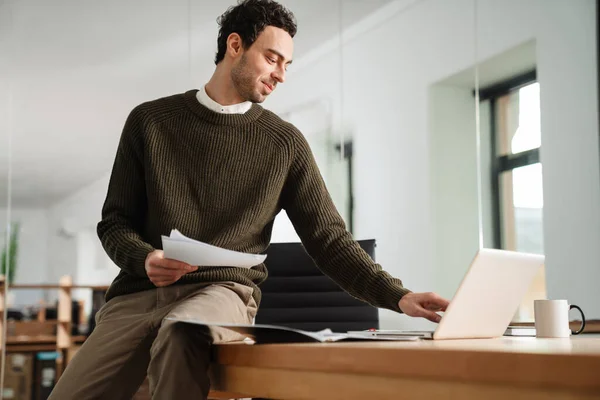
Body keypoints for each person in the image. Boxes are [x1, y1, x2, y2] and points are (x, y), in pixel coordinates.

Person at [49, 0, 449, 399]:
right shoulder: (149, 122)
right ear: (235, 46)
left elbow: (330, 240)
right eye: (273, 58)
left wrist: (398, 295)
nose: (281, 75)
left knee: (182, 333)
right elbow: (115, 222)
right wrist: (145, 258)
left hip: (221, 293)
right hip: (138, 293)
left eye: (287, 65)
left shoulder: (285, 143)